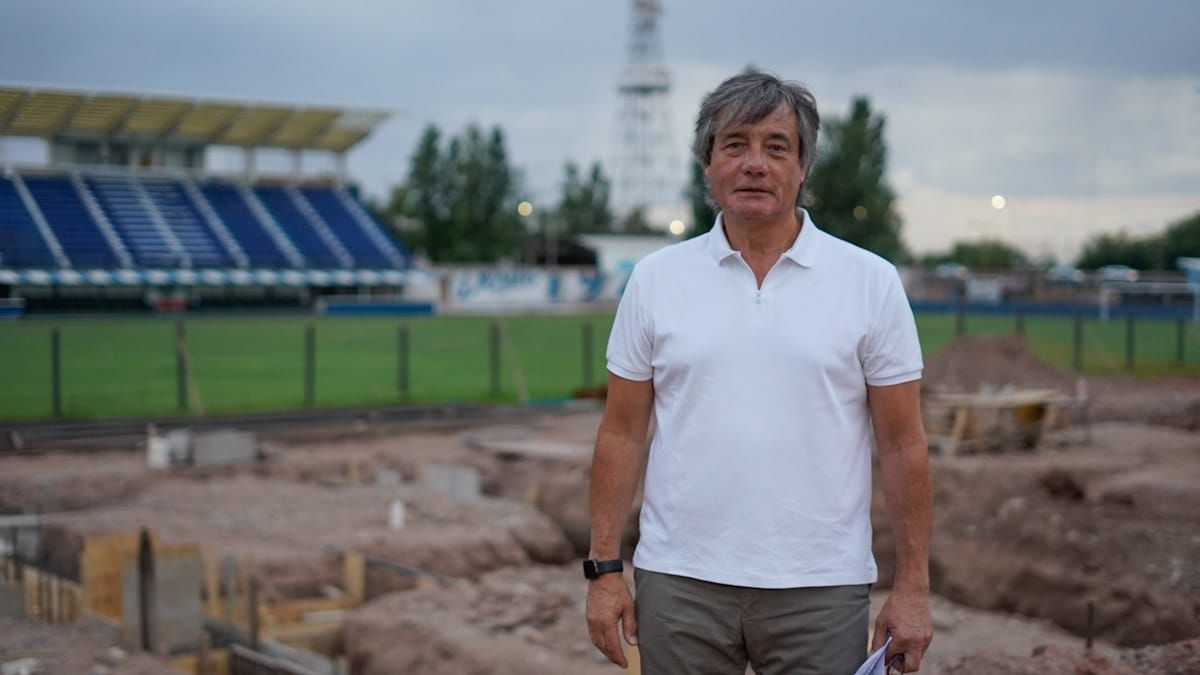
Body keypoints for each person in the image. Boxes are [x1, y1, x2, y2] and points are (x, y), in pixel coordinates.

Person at [584, 72, 934, 674]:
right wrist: (604, 571)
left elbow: (903, 444)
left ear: (803, 168)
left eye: (777, 147)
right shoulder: (656, 280)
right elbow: (620, 433)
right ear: (707, 165)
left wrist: (914, 589)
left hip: (820, 587)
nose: (755, 164)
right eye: (735, 145)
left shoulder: (869, 282)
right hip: (681, 583)